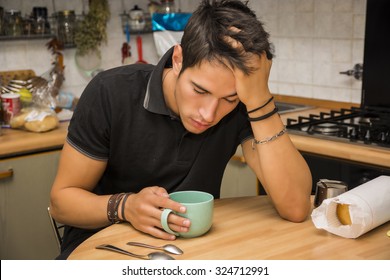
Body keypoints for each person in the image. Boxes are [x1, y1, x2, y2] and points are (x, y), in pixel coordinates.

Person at [50, 0, 312, 259]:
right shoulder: (110, 92)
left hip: (189, 254)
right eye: (199, 90)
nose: (209, 114)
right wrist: (125, 206)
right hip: (100, 251)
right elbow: (62, 203)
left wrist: (259, 99)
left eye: (229, 99)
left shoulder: (244, 105)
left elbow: (296, 207)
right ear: (178, 59)